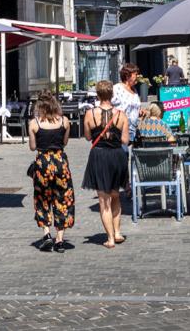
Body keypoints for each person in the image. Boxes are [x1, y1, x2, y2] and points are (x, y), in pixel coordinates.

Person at [82, 81, 129, 249]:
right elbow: (125, 140)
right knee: (116, 196)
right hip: (117, 156)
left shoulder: (89, 114)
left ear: (98, 95)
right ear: (112, 95)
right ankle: (117, 232)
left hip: (99, 156)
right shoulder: (121, 114)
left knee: (104, 200)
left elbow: (88, 137)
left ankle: (109, 238)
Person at [28, 90, 75, 253]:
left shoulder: (34, 123)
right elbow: (65, 142)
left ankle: (47, 234)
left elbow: (33, 147)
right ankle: (60, 239)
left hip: (43, 163)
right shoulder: (64, 121)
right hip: (60, 161)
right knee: (63, 198)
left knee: (42, 199)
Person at [111, 63, 143, 143]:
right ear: (127, 76)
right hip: (119, 131)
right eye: (135, 74)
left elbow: (133, 107)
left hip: (132, 131)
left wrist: (140, 111)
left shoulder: (134, 90)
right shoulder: (117, 88)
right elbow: (108, 106)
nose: (137, 77)